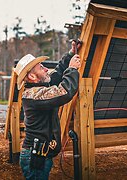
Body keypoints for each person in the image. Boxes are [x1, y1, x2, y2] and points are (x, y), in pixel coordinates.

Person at [14, 41, 81, 180]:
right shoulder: (33, 95)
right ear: (32, 77)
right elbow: (64, 92)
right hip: (36, 158)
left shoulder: (40, 88)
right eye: (41, 67)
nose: (46, 69)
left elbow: (56, 74)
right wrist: (72, 69)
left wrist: (70, 54)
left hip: (40, 155)